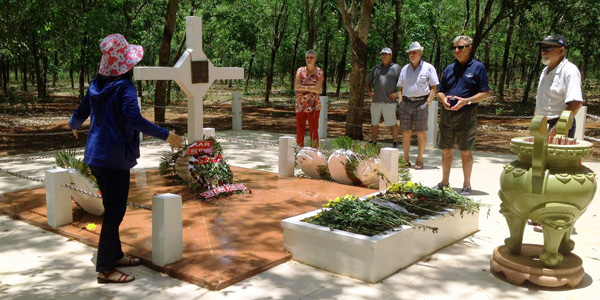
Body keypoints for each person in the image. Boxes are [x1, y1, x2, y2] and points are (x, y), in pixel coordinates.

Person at [69, 34, 183, 284]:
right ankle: (106, 269)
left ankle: (116, 254)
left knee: (113, 209)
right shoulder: (125, 88)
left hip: (95, 157)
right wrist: (167, 135)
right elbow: (134, 119)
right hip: (113, 158)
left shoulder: (95, 86)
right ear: (126, 66)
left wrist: (73, 124)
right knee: (114, 214)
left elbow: (81, 112)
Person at [435, 36, 490, 196]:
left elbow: (485, 93)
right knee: (446, 149)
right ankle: (444, 183)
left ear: (469, 48)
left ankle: (466, 185)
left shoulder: (478, 67)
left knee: (465, 150)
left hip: (466, 114)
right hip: (447, 114)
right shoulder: (449, 69)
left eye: (460, 47)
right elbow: (439, 91)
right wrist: (443, 99)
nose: (457, 50)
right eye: (454, 47)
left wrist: (467, 101)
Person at [397, 42, 439, 169]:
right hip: (406, 102)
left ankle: (419, 159)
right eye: (410, 53)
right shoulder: (405, 69)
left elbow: (434, 87)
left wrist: (428, 102)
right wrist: (401, 101)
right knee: (406, 132)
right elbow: (400, 87)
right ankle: (405, 159)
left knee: (421, 132)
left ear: (420, 53)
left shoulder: (428, 68)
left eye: (414, 52)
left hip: (422, 103)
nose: (411, 55)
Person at [534, 34, 583, 138]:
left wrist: (556, 130)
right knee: (539, 154)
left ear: (561, 51)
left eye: (549, 48)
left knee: (555, 154)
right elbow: (541, 101)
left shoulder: (569, 71)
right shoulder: (544, 71)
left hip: (559, 126)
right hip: (541, 124)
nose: (544, 51)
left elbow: (575, 104)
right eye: (542, 48)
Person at [365, 47, 401, 148]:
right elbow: (368, 81)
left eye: (386, 54)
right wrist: (370, 92)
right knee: (374, 122)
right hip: (376, 101)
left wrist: (397, 93)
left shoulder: (396, 68)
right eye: (382, 54)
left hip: (389, 101)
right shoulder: (376, 68)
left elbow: (405, 82)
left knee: (392, 122)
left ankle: (395, 142)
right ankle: (373, 140)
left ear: (391, 55)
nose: (383, 56)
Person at [295, 49, 324, 147]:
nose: (309, 59)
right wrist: (311, 88)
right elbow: (296, 86)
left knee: (313, 129)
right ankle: (299, 151)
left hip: (314, 105)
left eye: (311, 57)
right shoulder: (300, 71)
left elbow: (317, 89)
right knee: (300, 129)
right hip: (300, 105)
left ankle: (314, 152)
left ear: (315, 59)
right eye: (307, 57)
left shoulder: (319, 72)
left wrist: (304, 87)